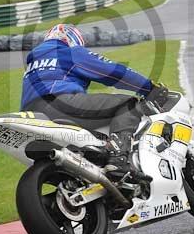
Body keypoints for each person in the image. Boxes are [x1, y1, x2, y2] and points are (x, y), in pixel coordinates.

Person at [21, 23, 169, 179]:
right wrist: (149, 87)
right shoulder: (69, 52)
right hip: (60, 104)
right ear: (73, 38)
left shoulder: (33, 63)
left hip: (31, 114)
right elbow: (112, 72)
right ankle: (119, 158)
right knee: (128, 103)